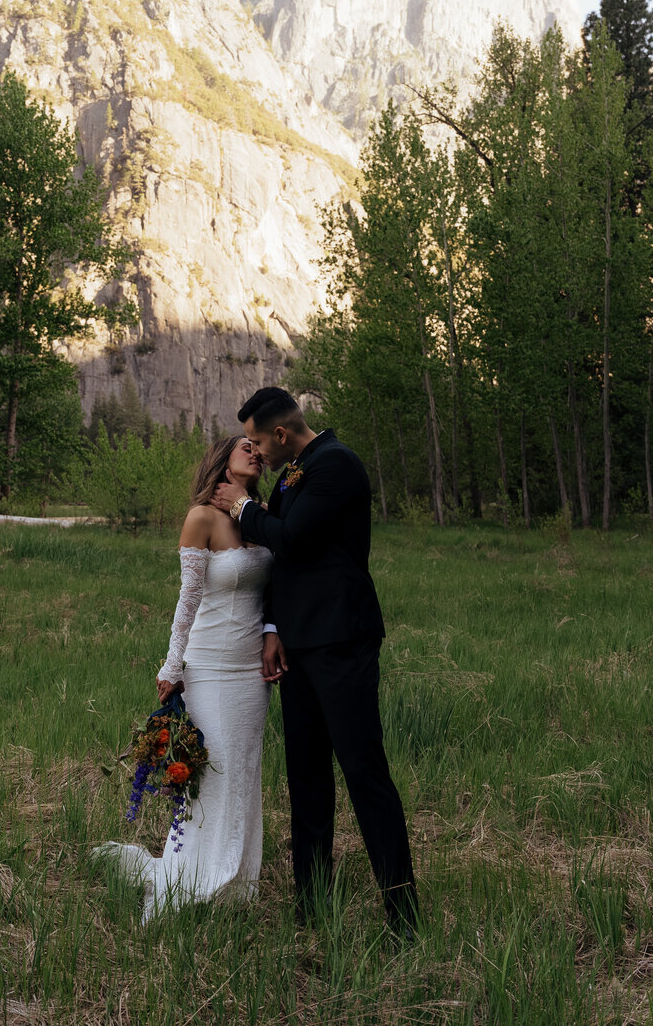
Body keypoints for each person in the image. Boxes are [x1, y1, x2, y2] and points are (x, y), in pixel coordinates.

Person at [211, 387, 420, 937]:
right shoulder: (293, 473)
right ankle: (313, 906)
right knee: (306, 779)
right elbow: (280, 562)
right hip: (298, 648)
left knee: (364, 774)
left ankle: (402, 915)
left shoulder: (337, 466)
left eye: (257, 439)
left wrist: (241, 507)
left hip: (342, 644)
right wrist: (274, 628)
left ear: (280, 434)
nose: (255, 451)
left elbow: (293, 540)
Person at [94, 436, 273, 921]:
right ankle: (185, 880)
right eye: (245, 445)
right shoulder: (201, 517)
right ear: (222, 458)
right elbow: (187, 600)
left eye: (260, 447)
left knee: (242, 773)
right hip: (209, 667)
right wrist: (173, 665)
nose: (255, 451)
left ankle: (235, 882)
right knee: (210, 776)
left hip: (250, 672)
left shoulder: (261, 517)